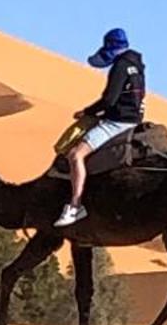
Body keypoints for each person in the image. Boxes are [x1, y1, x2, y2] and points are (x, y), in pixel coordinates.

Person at [54, 28, 146, 229]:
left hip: (118, 122)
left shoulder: (120, 66)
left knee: (75, 155)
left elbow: (109, 100)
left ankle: (75, 205)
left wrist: (87, 112)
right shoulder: (136, 65)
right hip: (134, 118)